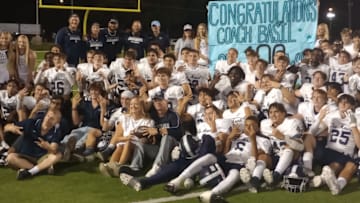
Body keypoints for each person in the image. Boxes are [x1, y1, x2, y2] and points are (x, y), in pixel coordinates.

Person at [310, 94, 360, 195]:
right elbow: (313, 132)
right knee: (339, 163)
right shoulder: (332, 116)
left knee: (349, 165)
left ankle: (333, 184)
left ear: (352, 106)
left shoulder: (357, 118)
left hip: (345, 154)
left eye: (347, 102)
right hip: (329, 151)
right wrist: (320, 118)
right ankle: (322, 177)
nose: (343, 104)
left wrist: (353, 125)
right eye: (341, 102)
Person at [5, 109, 63, 180]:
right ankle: (41, 168)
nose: (48, 120)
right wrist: (12, 128)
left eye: (52, 119)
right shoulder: (31, 123)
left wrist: (47, 147)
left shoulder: (56, 131)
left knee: (57, 155)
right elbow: (6, 127)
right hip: (26, 156)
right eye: (47, 116)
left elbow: (54, 149)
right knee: (10, 158)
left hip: (41, 158)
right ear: (45, 116)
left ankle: (30, 172)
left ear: (56, 122)